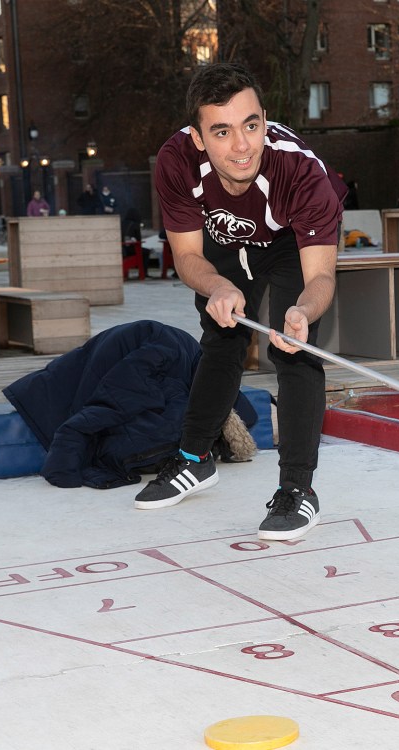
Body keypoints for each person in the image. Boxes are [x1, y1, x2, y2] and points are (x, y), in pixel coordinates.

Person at [140, 61, 346, 541]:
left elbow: (321, 277)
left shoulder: (301, 172)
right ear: (197, 138)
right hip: (224, 239)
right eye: (222, 131)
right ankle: (195, 459)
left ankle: (298, 489)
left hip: (290, 240)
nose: (242, 145)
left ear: (264, 119)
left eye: (251, 125)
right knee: (221, 336)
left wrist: (303, 311)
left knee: (293, 348)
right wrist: (217, 287)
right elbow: (187, 255)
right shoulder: (176, 162)